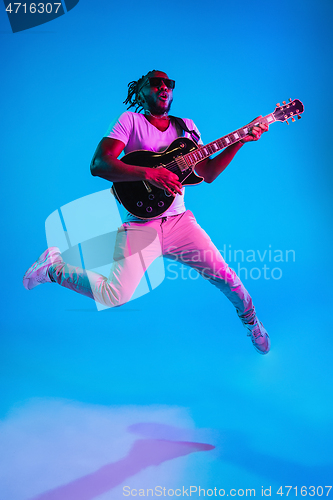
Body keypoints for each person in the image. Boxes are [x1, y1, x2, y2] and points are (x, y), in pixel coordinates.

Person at [23, 70, 270, 354]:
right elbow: (99, 164)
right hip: (140, 224)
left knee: (227, 278)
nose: (163, 87)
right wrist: (150, 173)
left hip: (180, 222)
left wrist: (241, 139)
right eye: (155, 83)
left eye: (169, 84)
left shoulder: (187, 128)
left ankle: (252, 322)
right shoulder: (129, 121)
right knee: (113, 296)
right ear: (140, 91)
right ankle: (53, 268)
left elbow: (209, 172)